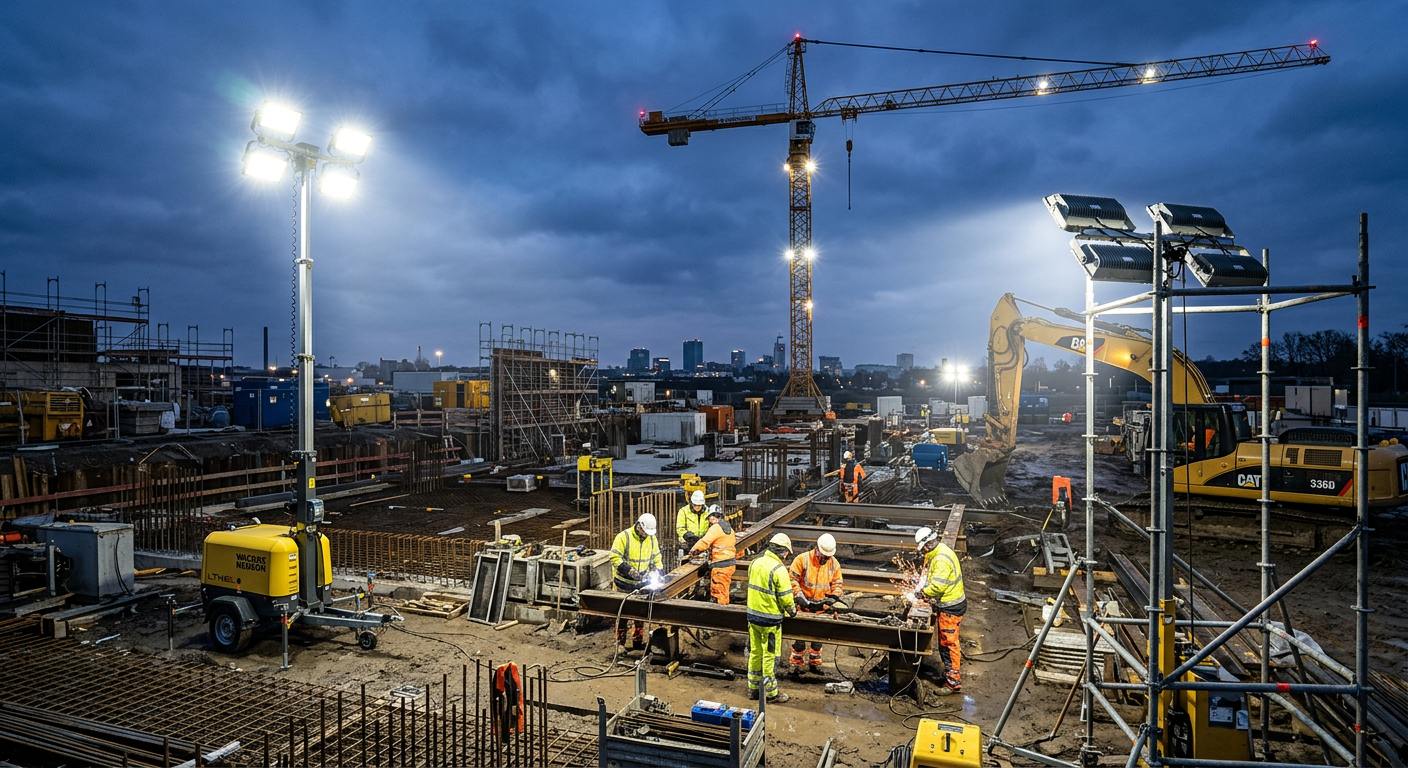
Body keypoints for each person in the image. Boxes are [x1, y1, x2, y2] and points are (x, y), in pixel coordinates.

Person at [913, 526, 966, 693]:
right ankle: (948, 675)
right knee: (944, 643)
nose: (922, 552)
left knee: (949, 645)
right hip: (949, 605)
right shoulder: (940, 552)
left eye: (923, 549)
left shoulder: (941, 559)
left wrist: (922, 592)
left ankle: (953, 683)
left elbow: (937, 586)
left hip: (951, 607)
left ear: (928, 544)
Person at [746, 533, 797, 703]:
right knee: (770, 656)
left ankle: (753, 689)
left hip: (753, 617)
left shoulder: (755, 563)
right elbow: (785, 597)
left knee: (755, 652)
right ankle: (771, 693)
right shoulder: (778, 569)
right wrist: (792, 611)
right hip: (770, 621)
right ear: (783, 552)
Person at [788, 533, 843, 676]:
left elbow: (837, 584)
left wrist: (834, 597)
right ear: (817, 549)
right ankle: (796, 664)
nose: (825, 559)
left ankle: (814, 663)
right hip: (803, 606)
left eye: (827, 557)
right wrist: (798, 596)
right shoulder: (802, 559)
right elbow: (792, 579)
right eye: (823, 556)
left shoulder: (833, 563)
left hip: (821, 609)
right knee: (800, 639)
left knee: (817, 640)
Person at [609, 513, 662, 651]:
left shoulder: (651, 539)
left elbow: (656, 557)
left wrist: (658, 570)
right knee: (622, 616)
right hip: (623, 584)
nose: (646, 535)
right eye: (644, 531)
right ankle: (620, 644)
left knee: (639, 616)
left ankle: (637, 642)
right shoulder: (623, 537)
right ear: (639, 526)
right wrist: (629, 570)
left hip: (641, 585)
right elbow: (614, 557)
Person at [689, 505, 736, 604]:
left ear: (713, 517)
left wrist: (693, 551)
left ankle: (720, 614)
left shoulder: (716, 528)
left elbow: (705, 542)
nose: (710, 522)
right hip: (730, 565)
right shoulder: (730, 529)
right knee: (724, 590)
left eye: (710, 519)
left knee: (719, 593)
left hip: (720, 567)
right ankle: (724, 610)